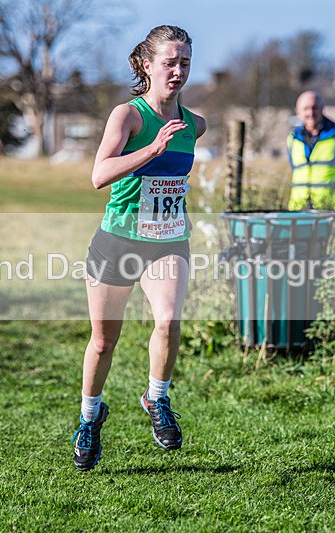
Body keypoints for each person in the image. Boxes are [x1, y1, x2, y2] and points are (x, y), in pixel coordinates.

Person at [70, 25, 206, 472]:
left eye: (184, 62)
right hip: (118, 239)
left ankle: (157, 398)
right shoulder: (128, 116)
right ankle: (91, 417)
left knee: (167, 322)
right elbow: (99, 175)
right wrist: (151, 149)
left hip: (167, 241)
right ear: (147, 65)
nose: (178, 70)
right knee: (104, 340)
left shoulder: (194, 124)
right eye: (169, 62)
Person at [287, 91, 335, 212]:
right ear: (298, 112)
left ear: (322, 109)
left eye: (314, 108)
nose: (310, 113)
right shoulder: (292, 138)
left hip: (331, 209)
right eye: (306, 109)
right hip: (299, 209)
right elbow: (295, 169)